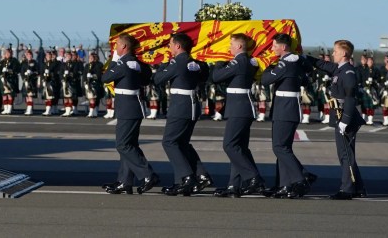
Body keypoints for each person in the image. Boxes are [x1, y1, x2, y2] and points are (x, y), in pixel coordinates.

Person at [304, 39, 367, 200]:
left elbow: (351, 98)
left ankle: (347, 189)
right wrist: (303, 57)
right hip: (340, 115)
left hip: (346, 117)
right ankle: (358, 187)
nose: (333, 54)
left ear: (344, 53)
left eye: (335, 51)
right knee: (347, 153)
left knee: (345, 154)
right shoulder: (339, 69)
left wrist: (345, 121)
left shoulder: (348, 73)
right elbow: (323, 65)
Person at [152, 32, 213, 196]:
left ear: (178, 46)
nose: (169, 47)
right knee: (182, 143)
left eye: (171, 44)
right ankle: (200, 175)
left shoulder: (178, 62)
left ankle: (186, 177)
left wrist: (164, 65)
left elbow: (158, 79)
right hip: (192, 105)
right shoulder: (195, 63)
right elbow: (204, 75)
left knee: (169, 142)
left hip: (180, 106)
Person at [100, 33, 160, 195]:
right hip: (133, 107)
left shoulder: (124, 64)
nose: (115, 48)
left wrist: (113, 60)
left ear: (124, 47)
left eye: (117, 45)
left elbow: (105, 77)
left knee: (123, 145)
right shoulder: (136, 63)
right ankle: (124, 181)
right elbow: (146, 77)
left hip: (128, 109)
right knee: (129, 145)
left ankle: (148, 175)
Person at [210, 33, 266, 197]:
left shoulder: (239, 61)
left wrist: (219, 60)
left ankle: (254, 178)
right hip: (242, 107)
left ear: (240, 46)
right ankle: (234, 186)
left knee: (230, 145)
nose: (229, 47)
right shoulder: (247, 61)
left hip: (239, 108)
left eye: (231, 44)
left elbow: (216, 77)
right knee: (239, 147)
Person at [261, 33, 312, 198]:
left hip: (285, 109)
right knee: (283, 148)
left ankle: (301, 177)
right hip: (286, 109)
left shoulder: (285, 64)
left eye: (274, 45)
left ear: (283, 47)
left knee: (279, 147)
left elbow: (266, 80)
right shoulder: (296, 62)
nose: (272, 48)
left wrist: (268, 66)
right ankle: (284, 185)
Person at [0, 47, 20, 115]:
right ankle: (5, 109)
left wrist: (9, 71)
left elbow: (17, 70)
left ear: (11, 53)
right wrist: (1, 75)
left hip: (11, 80)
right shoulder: (2, 62)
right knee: (4, 95)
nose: (7, 54)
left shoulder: (14, 61)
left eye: (9, 53)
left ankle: (9, 109)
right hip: (3, 80)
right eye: (6, 53)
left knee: (10, 95)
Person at [83, 51, 104, 118]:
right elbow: (84, 75)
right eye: (90, 58)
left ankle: (91, 112)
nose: (90, 59)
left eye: (92, 58)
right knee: (90, 98)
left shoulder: (98, 65)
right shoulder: (87, 65)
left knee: (93, 98)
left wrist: (92, 76)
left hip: (94, 83)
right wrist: (85, 82)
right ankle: (93, 112)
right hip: (88, 83)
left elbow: (99, 74)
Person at [20, 49, 40, 115]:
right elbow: (21, 72)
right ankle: (28, 108)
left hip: (32, 81)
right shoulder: (24, 63)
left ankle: (30, 110)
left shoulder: (35, 62)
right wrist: (24, 76)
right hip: (25, 81)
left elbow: (37, 72)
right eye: (28, 54)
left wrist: (32, 73)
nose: (29, 56)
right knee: (27, 96)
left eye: (30, 54)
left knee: (30, 95)